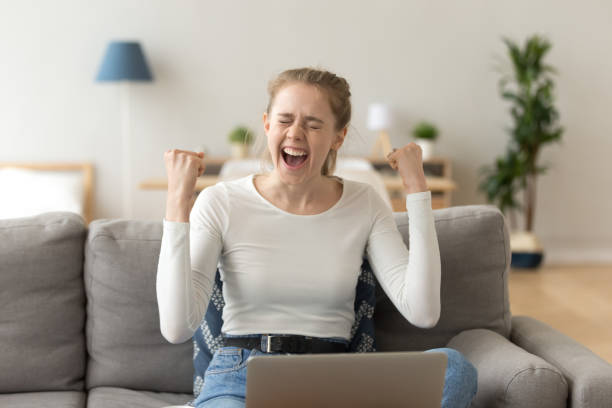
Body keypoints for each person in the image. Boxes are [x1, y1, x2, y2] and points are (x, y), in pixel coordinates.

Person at [157, 67, 478, 408]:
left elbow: (423, 311)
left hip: (336, 380)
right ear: (267, 124)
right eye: (284, 120)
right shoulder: (220, 201)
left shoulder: (364, 202)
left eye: (312, 124)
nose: (295, 133)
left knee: (454, 369)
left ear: (338, 137)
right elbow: (177, 327)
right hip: (242, 378)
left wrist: (417, 189)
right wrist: (178, 201)